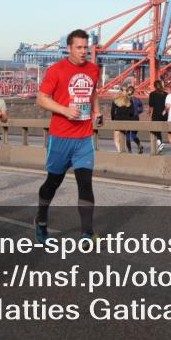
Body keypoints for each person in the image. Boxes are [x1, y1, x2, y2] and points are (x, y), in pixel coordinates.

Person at [34, 29, 102, 242]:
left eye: (86, 48)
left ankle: (87, 233)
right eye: (79, 48)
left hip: (84, 137)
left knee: (85, 183)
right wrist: (64, 110)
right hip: (61, 136)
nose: (83, 52)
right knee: (53, 182)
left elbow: (92, 92)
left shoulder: (93, 69)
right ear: (69, 48)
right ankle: (41, 220)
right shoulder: (56, 70)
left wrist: (97, 111)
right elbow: (41, 99)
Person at [110, 87, 137, 153]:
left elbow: (112, 112)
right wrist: (129, 117)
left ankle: (119, 151)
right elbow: (132, 112)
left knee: (116, 139)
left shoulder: (116, 100)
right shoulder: (129, 101)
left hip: (117, 120)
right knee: (124, 137)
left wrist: (113, 119)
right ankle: (124, 151)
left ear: (120, 92)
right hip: (126, 120)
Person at [148, 80, 169, 154]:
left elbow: (151, 105)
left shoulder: (152, 94)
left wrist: (149, 113)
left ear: (154, 86)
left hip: (156, 114)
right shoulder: (166, 94)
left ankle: (160, 144)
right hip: (164, 115)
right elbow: (168, 105)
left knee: (154, 130)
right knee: (162, 130)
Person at [127, 84, 145, 153]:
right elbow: (141, 109)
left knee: (128, 135)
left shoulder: (126, 99)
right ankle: (139, 144)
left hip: (128, 118)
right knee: (133, 135)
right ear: (133, 92)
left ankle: (130, 151)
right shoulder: (137, 100)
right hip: (135, 118)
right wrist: (137, 111)